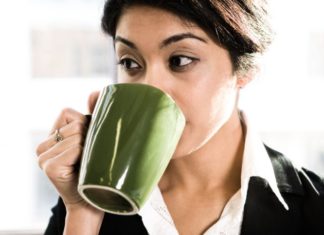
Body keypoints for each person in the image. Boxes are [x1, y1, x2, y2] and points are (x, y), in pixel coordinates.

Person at [36, 0, 324, 234]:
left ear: (245, 68)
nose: (151, 86)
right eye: (130, 62)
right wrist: (85, 212)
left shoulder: (314, 209)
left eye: (180, 60)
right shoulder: (83, 203)